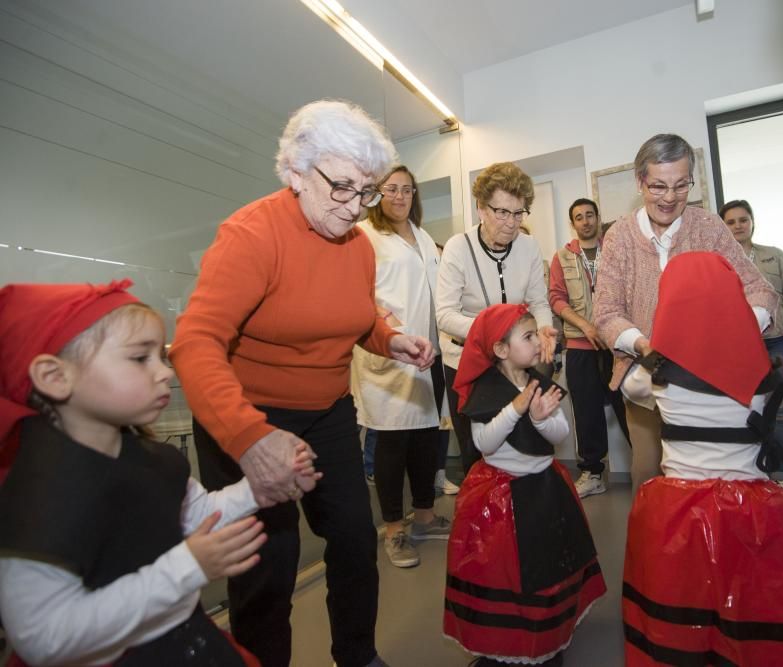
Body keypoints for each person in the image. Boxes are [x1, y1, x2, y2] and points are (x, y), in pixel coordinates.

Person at [169, 100, 435, 667]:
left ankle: (357, 655)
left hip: (329, 412)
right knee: (269, 562)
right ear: (295, 171)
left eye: (366, 192)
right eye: (341, 187)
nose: (355, 206)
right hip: (247, 416)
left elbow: (357, 316)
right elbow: (195, 344)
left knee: (356, 543)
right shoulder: (251, 234)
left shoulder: (358, 244)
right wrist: (248, 437)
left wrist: (390, 340)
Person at [0, 281, 313, 666]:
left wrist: (257, 491)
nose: (166, 373)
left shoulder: (151, 458)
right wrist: (187, 567)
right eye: (139, 358)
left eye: (161, 356)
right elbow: (45, 636)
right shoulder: (34, 498)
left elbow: (193, 514)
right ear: (54, 376)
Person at [620, 253, 783, 667]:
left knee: (688, 601)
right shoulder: (762, 370)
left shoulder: (656, 373)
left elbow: (632, 391)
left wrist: (658, 346)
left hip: (680, 509)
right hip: (752, 508)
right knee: (756, 605)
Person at [593, 133, 778, 493]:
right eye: (658, 186)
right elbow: (606, 314)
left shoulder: (708, 227)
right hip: (644, 382)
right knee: (648, 477)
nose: (670, 197)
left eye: (681, 185)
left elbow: (760, 291)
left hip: (709, 387)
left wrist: (737, 334)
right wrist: (646, 347)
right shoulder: (619, 236)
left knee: (711, 486)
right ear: (639, 181)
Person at [443, 304, 606, 667]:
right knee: (507, 573)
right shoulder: (483, 392)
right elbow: (484, 443)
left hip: (545, 487)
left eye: (536, 334)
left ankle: (549, 635)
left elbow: (561, 433)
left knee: (549, 568)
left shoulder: (542, 383)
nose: (538, 342)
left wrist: (540, 418)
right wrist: (516, 409)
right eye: (528, 336)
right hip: (501, 496)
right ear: (501, 350)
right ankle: (504, 642)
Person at [352, 165, 452, 568]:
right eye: (391, 189)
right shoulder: (364, 235)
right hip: (389, 354)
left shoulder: (424, 236)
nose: (399, 196)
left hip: (429, 356)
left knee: (427, 439)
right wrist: (386, 326)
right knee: (392, 446)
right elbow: (355, 293)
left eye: (407, 189)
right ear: (377, 194)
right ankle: (394, 530)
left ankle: (425, 516)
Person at [437, 162, 557, 473]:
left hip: (514, 363)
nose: (511, 223)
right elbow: (445, 315)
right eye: (501, 212)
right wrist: (492, 334)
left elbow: (539, 301)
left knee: (520, 444)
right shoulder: (457, 248)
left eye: (518, 213)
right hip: (464, 361)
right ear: (480, 208)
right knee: (476, 451)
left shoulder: (529, 247)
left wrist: (544, 329)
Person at [721, 199, 783, 483]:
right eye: (731, 222)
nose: (738, 226)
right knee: (744, 406)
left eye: (743, 220)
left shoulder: (775, 256)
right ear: (723, 227)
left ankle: (779, 476)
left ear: (752, 222)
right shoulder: (719, 263)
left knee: (780, 406)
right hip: (739, 345)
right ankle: (751, 474)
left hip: (778, 339)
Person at [549, 197, 630, 498]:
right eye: (579, 217)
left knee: (628, 407)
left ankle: (649, 469)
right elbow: (556, 299)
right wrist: (585, 326)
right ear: (573, 223)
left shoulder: (615, 249)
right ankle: (592, 472)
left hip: (618, 344)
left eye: (589, 215)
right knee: (586, 411)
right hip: (581, 345)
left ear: (598, 217)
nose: (585, 221)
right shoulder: (562, 257)